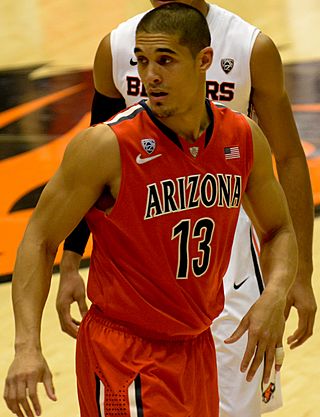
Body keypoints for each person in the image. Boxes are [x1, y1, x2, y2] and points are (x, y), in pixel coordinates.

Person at [4, 4, 298, 417]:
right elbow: (37, 237)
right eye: (142, 62)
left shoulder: (242, 137)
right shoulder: (105, 146)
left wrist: (276, 291)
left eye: (165, 61)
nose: (150, 76)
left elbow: (279, 229)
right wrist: (27, 348)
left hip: (196, 346)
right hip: (127, 354)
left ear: (204, 62)